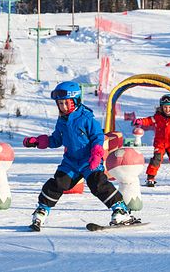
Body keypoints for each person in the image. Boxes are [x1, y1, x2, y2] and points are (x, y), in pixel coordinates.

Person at [23, 81, 138, 230]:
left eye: (66, 103)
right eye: (60, 104)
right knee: (58, 183)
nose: (63, 107)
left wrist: (96, 155)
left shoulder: (87, 118)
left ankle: (120, 210)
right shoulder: (62, 121)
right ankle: (42, 210)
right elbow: (56, 139)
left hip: (89, 160)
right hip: (71, 162)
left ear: (75, 101)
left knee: (98, 184)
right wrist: (38, 141)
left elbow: (98, 137)